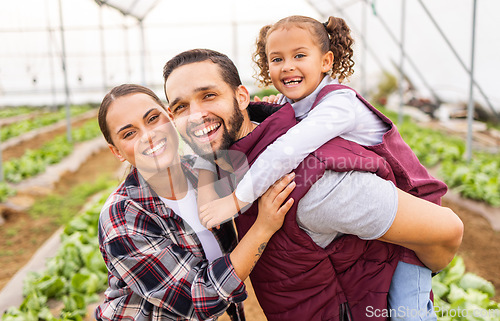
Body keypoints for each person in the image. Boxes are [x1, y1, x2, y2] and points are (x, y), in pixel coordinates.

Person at [163, 48, 463, 320]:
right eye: (180, 107)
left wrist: (411, 287)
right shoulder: (229, 161)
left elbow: (447, 231)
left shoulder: (312, 184)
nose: (195, 115)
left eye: (208, 96)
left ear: (241, 98)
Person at [94, 84, 296, 321]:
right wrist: (263, 228)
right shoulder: (121, 217)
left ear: (170, 116)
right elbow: (198, 297)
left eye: (152, 118)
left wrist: (267, 111)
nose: (148, 136)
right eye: (129, 133)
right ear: (116, 151)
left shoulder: (203, 170)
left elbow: (252, 146)